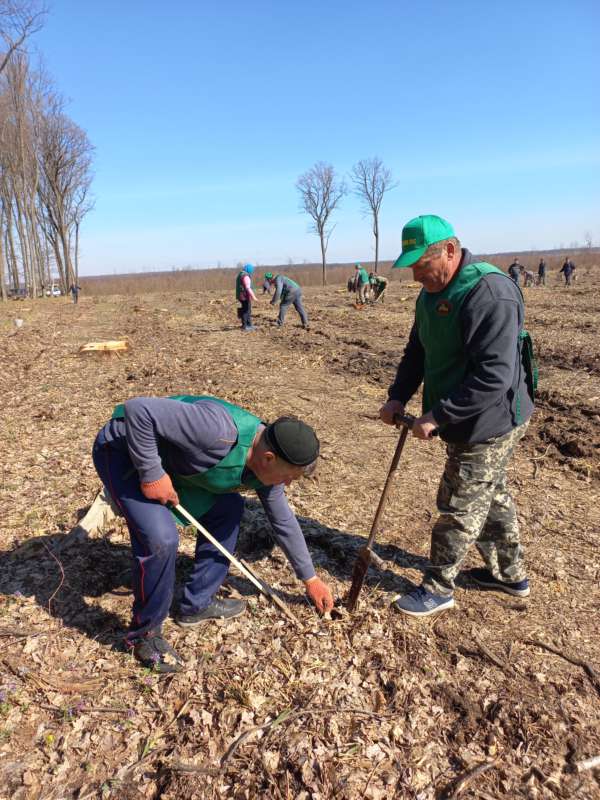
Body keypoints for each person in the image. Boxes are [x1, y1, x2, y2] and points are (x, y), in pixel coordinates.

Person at [92, 395, 334, 672]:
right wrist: (151, 474)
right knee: (161, 538)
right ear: (268, 458)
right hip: (124, 450)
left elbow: (283, 521)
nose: (288, 483)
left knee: (229, 508)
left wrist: (310, 578)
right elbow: (138, 410)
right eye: (289, 476)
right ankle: (144, 636)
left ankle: (196, 604)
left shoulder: (269, 466)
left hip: (174, 463)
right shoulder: (215, 431)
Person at [380, 214, 534, 617]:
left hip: (491, 419)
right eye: (412, 268)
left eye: (422, 266)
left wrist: (438, 415)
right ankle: (510, 575)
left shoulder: (490, 293)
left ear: (449, 250)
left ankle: (438, 587)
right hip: (460, 416)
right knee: (490, 493)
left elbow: (494, 376)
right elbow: (418, 352)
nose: (417, 277)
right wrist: (398, 396)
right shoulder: (430, 294)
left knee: (459, 502)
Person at [236, 264, 258, 330]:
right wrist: (253, 297)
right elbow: (248, 288)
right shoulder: (245, 276)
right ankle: (245, 326)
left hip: (241, 295)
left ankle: (249, 324)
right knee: (246, 311)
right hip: (244, 296)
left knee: (247, 310)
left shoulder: (240, 274)